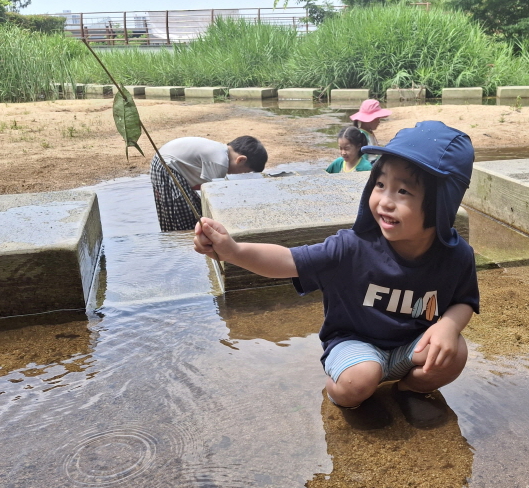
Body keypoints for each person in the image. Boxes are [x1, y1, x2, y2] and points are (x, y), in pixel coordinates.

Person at [193, 121, 479, 430]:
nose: (384, 200)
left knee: (455, 351)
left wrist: (449, 326)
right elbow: (288, 260)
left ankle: (410, 389)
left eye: (403, 191)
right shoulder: (352, 248)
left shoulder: (456, 256)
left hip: (410, 348)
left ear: (442, 205)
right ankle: (344, 395)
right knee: (361, 379)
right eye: (380, 184)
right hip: (355, 344)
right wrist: (233, 251)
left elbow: (464, 301)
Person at [151, 135, 267, 232]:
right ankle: (182, 244)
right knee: (180, 214)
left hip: (169, 161)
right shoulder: (220, 163)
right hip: (165, 166)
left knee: (194, 209)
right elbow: (216, 199)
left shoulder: (221, 152)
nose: (242, 175)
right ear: (241, 160)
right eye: (246, 172)